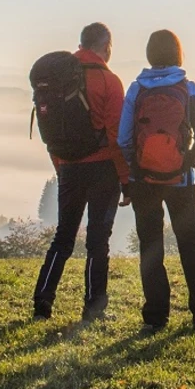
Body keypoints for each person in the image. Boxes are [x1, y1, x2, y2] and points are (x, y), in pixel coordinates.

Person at [117, 29, 195, 331]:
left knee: (151, 247)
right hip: (181, 181)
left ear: (149, 54)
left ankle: (155, 317)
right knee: (191, 245)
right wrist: (185, 163)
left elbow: (123, 139)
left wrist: (138, 166)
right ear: (178, 54)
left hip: (143, 180)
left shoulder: (136, 89)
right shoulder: (189, 88)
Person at [32, 22, 130, 321]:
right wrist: (125, 178)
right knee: (98, 241)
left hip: (69, 168)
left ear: (81, 43)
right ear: (106, 46)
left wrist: (61, 167)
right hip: (103, 168)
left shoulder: (57, 79)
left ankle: (42, 301)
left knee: (63, 236)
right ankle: (93, 307)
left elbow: (51, 132)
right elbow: (116, 136)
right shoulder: (109, 81)